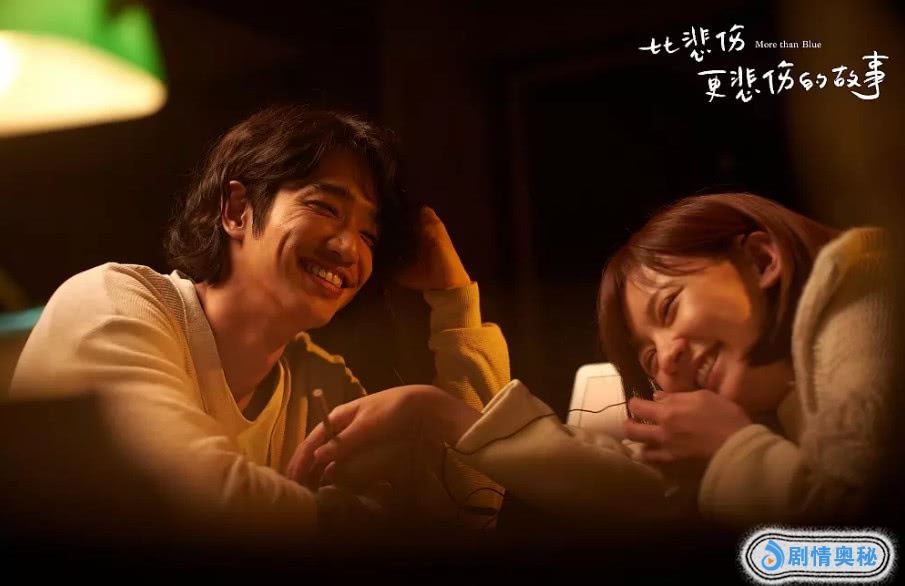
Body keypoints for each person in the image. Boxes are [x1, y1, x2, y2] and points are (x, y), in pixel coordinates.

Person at [8, 105, 510, 539]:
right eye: (324, 206)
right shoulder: (114, 302)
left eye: (369, 236)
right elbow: (197, 497)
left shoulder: (321, 385)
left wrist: (455, 304)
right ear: (236, 210)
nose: (348, 249)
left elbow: (467, 510)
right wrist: (375, 526)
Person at [289, 192, 892, 527]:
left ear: (761, 261)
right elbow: (638, 494)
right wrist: (438, 411)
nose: (668, 359)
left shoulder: (863, 292)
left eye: (670, 306)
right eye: (648, 356)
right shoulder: (781, 402)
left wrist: (732, 449)